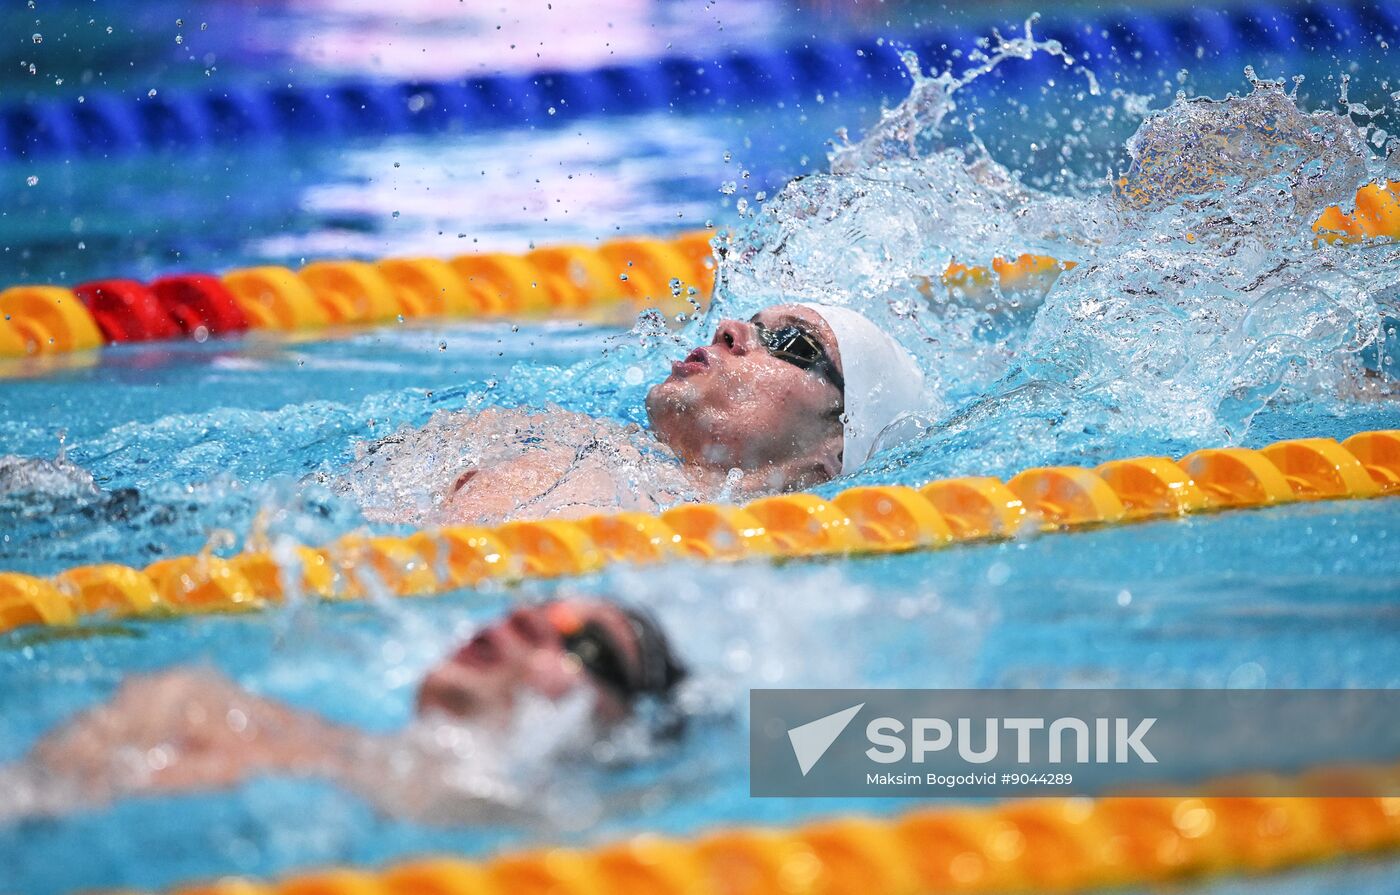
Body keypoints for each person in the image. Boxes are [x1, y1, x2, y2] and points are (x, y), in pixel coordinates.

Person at [3, 598, 686, 824]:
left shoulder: (536, 834)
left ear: (622, 726)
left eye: (587, 645)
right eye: (541, 604)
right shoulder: (197, 703)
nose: (528, 618)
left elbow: (781, 748)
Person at [347, 302, 927, 524]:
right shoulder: (554, 431)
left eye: (793, 346)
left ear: (832, 452)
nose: (729, 328)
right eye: (749, 322)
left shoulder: (684, 552)